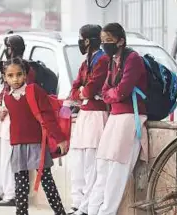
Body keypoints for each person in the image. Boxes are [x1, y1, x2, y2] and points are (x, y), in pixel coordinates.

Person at [88, 23, 148, 215]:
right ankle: (92, 210)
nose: (105, 45)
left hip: (131, 117)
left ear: (121, 41)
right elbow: (106, 90)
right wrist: (111, 95)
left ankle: (107, 212)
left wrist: (111, 95)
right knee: (103, 166)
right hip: (114, 117)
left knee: (117, 170)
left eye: (109, 41)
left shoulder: (133, 59)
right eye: (103, 41)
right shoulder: (113, 60)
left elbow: (123, 90)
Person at [2, 57, 67, 215]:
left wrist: (60, 139)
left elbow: (48, 116)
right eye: (10, 76)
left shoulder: (33, 90)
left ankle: (60, 213)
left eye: (19, 74)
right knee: (21, 186)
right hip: (17, 144)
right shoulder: (7, 97)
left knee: (47, 181)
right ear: (5, 77)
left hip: (37, 144)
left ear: (25, 75)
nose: (15, 79)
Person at [0, 35, 35, 207]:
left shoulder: (26, 69)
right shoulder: (6, 67)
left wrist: (7, 107)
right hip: (2, 118)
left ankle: (12, 194)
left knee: (9, 159)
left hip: (14, 119)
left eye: (11, 46)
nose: (9, 50)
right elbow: (4, 90)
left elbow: (25, 92)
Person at [68, 25, 110, 215]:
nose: (80, 42)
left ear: (87, 40)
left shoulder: (102, 60)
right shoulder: (87, 62)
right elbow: (75, 89)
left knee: (92, 167)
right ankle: (78, 204)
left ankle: (87, 209)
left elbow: (90, 89)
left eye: (81, 38)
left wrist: (83, 93)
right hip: (85, 114)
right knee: (79, 163)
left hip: (97, 116)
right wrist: (83, 93)